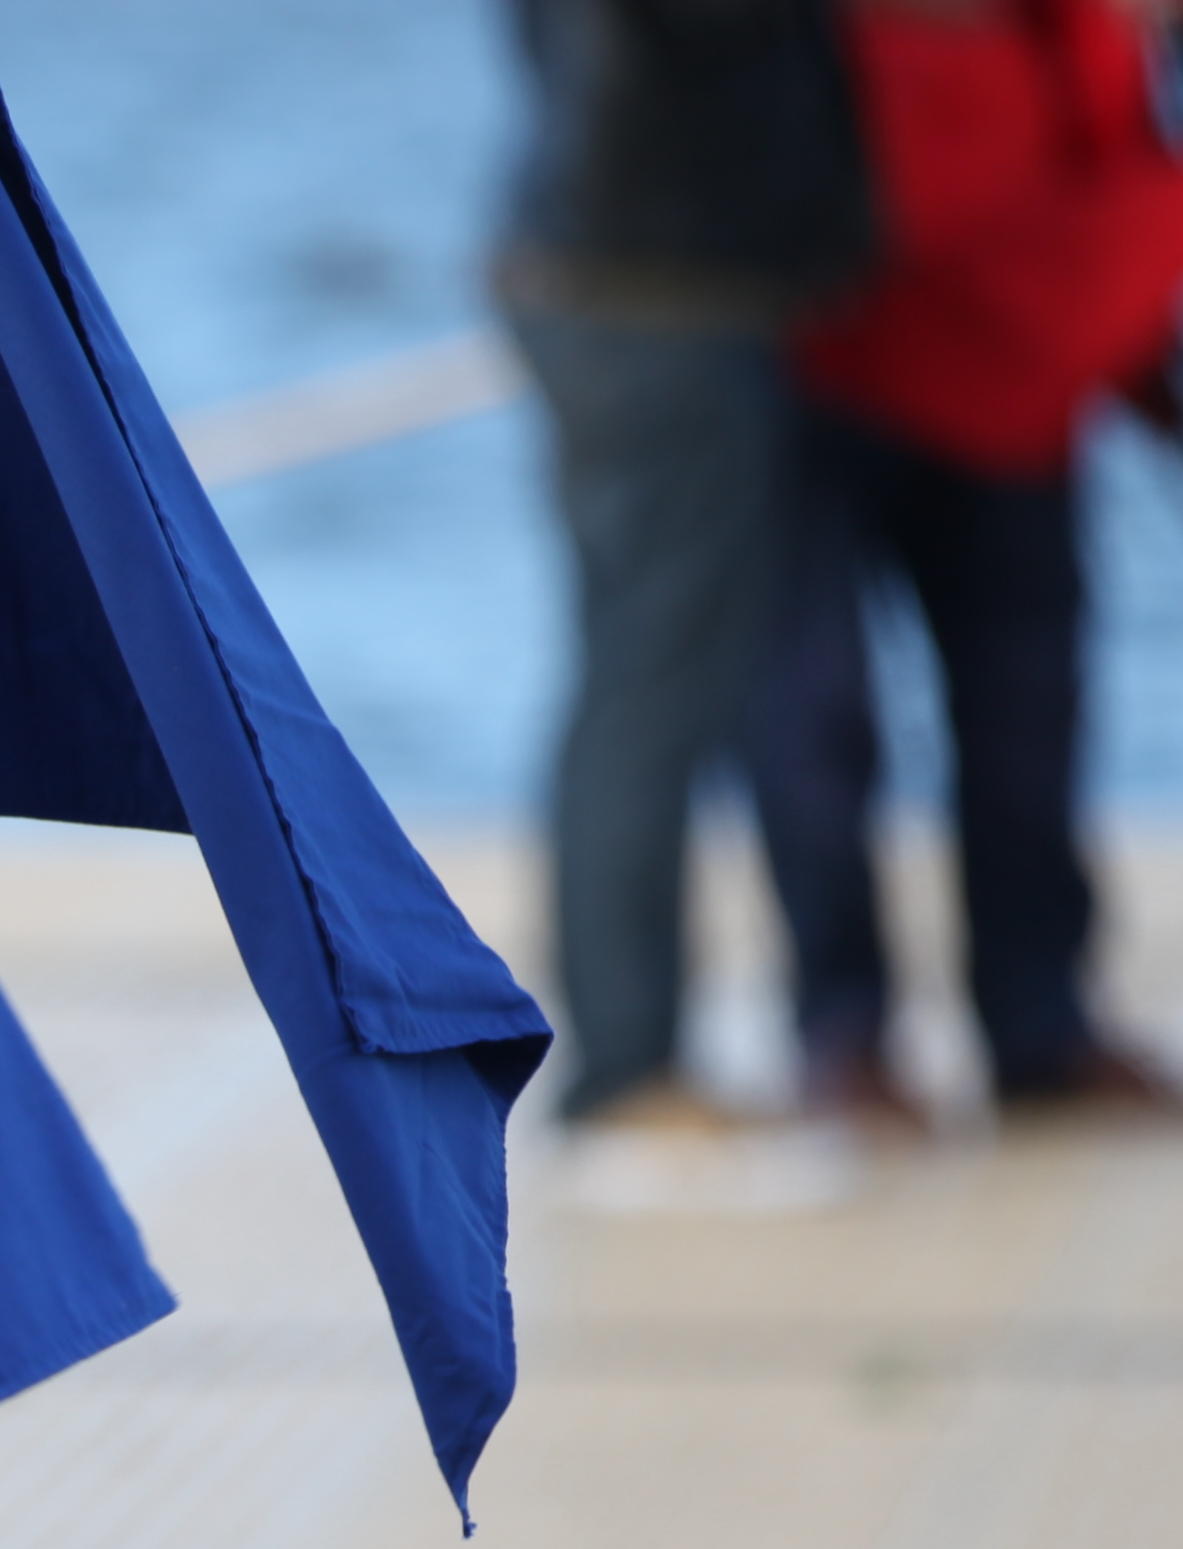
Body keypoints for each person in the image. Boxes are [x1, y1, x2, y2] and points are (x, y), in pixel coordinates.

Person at [746, 0, 1183, 1131]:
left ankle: (1040, 1029)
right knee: (814, 709)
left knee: (1026, 700)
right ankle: (843, 1036)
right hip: (800, 334)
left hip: (1014, 326)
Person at [492, 0, 880, 1159]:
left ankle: (631, 1055)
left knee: (641, 682)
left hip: (626, 276)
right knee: (650, 690)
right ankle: (626, 1067)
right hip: (651, 293)